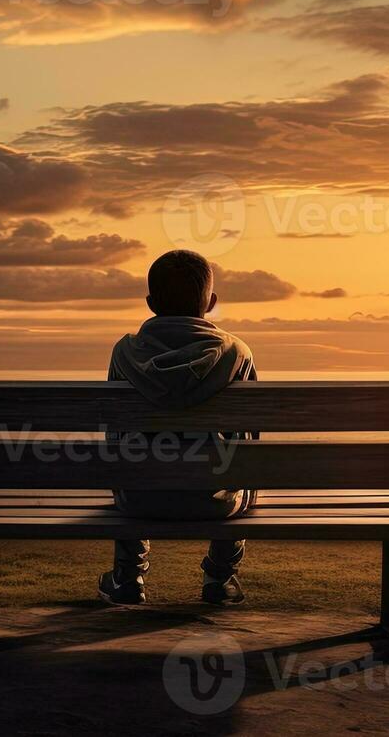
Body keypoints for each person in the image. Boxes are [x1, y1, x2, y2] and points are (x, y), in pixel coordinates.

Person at [98, 249, 257, 606]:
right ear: (211, 302)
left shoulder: (124, 353)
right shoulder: (237, 354)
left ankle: (129, 576)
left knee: (126, 462)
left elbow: (114, 435)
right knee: (245, 467)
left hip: (139, 499)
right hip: (216, 502)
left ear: (151, 303)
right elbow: (249, 439)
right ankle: (219, 576)